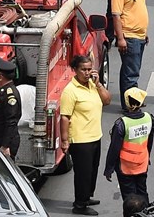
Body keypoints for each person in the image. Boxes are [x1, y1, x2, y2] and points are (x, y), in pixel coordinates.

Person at [59, 54, 112, 215]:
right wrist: (64, 140)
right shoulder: (70, 91)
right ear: (75, 70)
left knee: (92, 170)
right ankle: (80, 205)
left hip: (95, 136)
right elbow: (65, 117)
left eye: (89, 69)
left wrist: (99, 85)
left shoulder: (92, 85)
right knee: (83, 173)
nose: (87, 73)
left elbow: (107, 100)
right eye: (83, 69)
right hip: (81, 140)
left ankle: (87, 196)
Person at [103, 87, 154, 204]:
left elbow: (114, 149)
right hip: (142, 164)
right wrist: (148, 158)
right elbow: (149, 141)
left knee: (129, 199)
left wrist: (109, 169)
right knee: (142, 193)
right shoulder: (149, 119)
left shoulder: (122, 124)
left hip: (125, 167)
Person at [110, 0, 148, 110]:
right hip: (129, 37)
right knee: (130, 73)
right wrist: (120, 38)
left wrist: (144, 32)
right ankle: (129, 105)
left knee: (133, 70)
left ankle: (134, 100)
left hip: (139, 36)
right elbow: (116, 15)